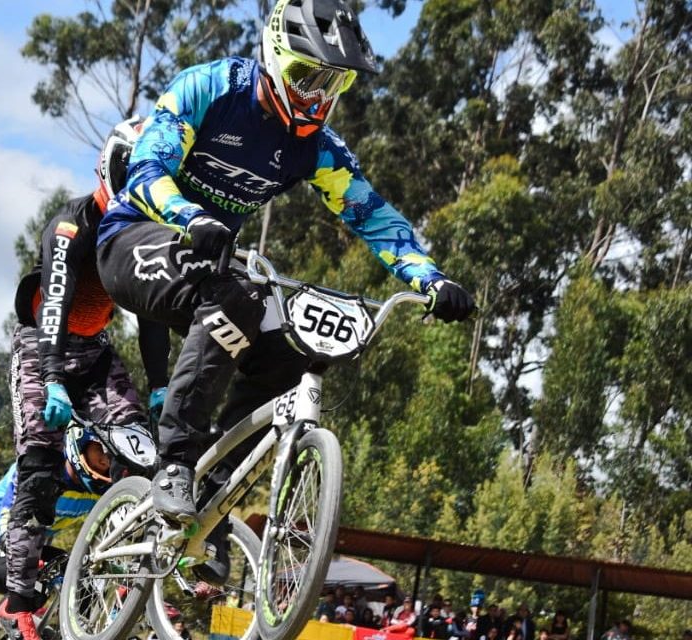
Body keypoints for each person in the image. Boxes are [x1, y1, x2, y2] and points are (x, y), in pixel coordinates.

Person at [94, 0, 477, 564]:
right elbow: (149, 168)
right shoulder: (210, 88)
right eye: (306, 76)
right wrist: (191, 217)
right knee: (236, 296)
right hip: (135, 240)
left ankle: (211, 494)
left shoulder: (318, 148)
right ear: (274, 56)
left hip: (212, 269)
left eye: (334, 82)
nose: (316, 95)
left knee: (284, 354)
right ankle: (174, 461)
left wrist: (430, 279)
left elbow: (373, 216)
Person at [0, 119, 172, 640]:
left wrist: (160, 386)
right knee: (41, 468)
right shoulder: (70, 227)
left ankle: (124, 569)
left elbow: (152, 314)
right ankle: (17, 603)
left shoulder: (140, 234)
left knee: (143, 448)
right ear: (111, 169)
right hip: (41, 350)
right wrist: (51, 378)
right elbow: (52, 305)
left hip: (94, 355)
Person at [0, 425, 130, 633]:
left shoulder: (98, 490)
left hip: (27, 548)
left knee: (81, 577)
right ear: (81, 443)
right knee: (36, 574)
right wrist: (27, 560)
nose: (106, 461)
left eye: (111, 455)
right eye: (101, 450)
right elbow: (5, 520)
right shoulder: (41, 468)